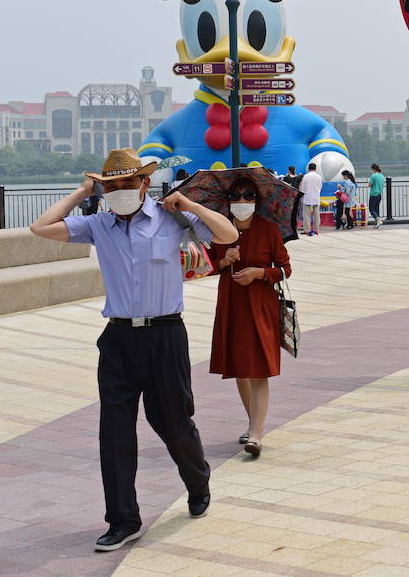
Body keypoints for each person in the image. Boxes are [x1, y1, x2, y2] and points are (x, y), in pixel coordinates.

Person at [28, 148, 238, 552]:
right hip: (119, 339)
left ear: (145, 183)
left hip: (165, 336)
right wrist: (81, 191)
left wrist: (190, 202)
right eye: (113, 186)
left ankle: (198, 481)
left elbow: (228, 235)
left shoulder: (171, 218)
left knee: (174, 423)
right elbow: (40, 228)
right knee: (115, 433)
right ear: (104, 189)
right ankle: (124, 519)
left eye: (129, 183)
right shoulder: (97, 226)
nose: (121, 191)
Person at [208, 178, 292, 457]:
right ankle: (252, 421)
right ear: (228, 200)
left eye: (249, 196)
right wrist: (223, 261)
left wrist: (259, 273)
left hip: (260, 305)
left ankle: (256, 432)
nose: (242, 201)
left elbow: (284, 269)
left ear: (257, 200)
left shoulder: (268, 230)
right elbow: (205, 266)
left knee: (259, 370)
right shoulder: (219, 230)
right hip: (232, 305)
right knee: (240, 369)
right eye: (236, 195)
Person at [299, 163, 323, 236]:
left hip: (307, 198)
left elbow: (302, 188)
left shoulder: (306, 176)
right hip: (316, 198)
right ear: (315, 169)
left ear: (308, 169)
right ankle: (316, 230)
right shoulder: (319, 177)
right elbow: (320, 187)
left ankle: (307, 230)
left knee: (306, 215)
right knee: (316, 215)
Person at [368, 163, 385, 229]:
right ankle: (377, 223)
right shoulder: (382, 176)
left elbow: (370, 185)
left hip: (373, 194)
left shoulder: (373, 176)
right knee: (376, 209)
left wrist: (368, 182)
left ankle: (378, 220)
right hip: (379, 194)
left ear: (373, 169)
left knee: (371, 209)